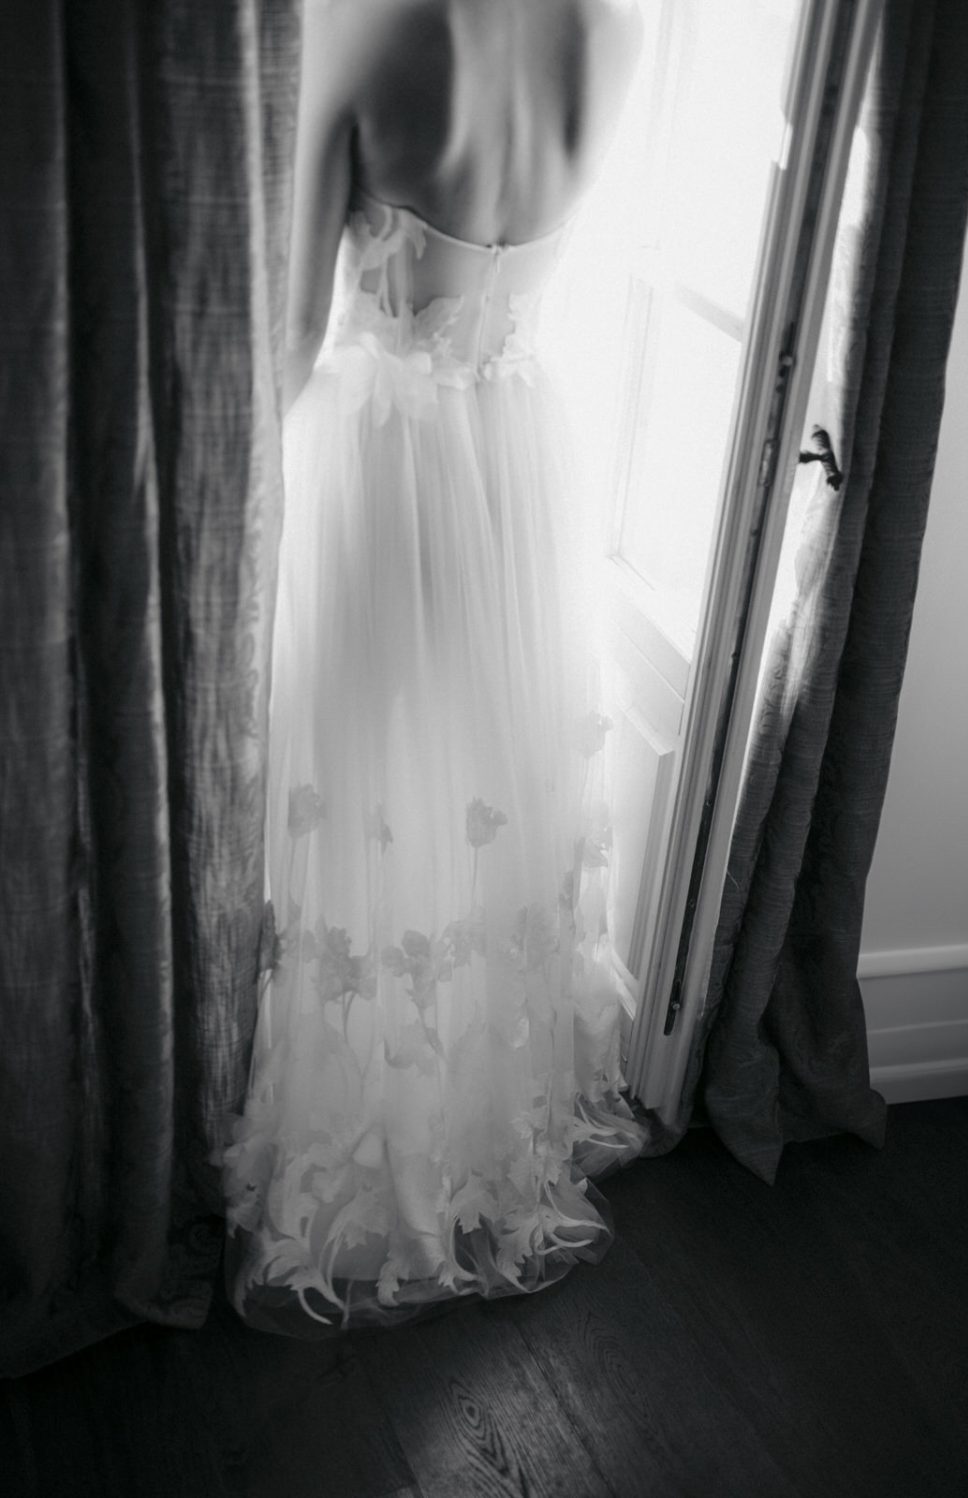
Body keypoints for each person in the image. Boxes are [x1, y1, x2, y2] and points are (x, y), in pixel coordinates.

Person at [223, 0, 646, 1334]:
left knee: (361, 800)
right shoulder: (615, 26)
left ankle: (364, 1155)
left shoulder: (367, 27)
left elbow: (289, 337)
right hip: (521, 452)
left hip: (383, 463)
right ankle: (476, 1133)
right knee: (476, 798)